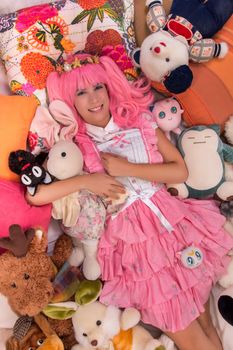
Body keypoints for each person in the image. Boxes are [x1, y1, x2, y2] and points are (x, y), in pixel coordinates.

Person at [27, 54, 233, 350]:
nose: (94, 98)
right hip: (137, 249)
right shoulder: (75, 145)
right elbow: (36, 195)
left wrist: (127, 168)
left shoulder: (140, 121)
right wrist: (88, 180)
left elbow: (179, 170)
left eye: (98, 87)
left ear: (111, 88)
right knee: (187, 333)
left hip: (176, 227)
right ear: (70, 103)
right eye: (80, 93)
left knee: (206, 323)